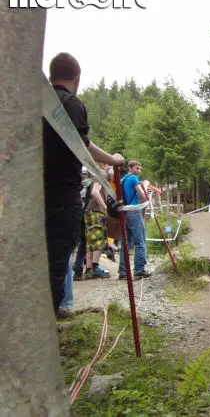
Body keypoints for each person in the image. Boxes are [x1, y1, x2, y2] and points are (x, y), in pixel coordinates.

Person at [43, 52, 125, 318]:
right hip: (62, 191)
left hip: (32, 190)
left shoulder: (35, 103)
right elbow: (81, 145)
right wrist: (112, 159)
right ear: (77, 78)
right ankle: (49, 321)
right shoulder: (70, 103)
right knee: (57, 258)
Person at [118, 160, 152, 280]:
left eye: (140, 169)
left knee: (126, 243)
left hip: (125, 212)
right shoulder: (133, 179)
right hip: (134, 211)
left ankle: (123, 272)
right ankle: (139, 270)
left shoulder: (122, 179)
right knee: (140, 241)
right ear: (130, 168)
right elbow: (142, 196)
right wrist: (146, 186)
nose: (139, 171)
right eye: (137, 168)